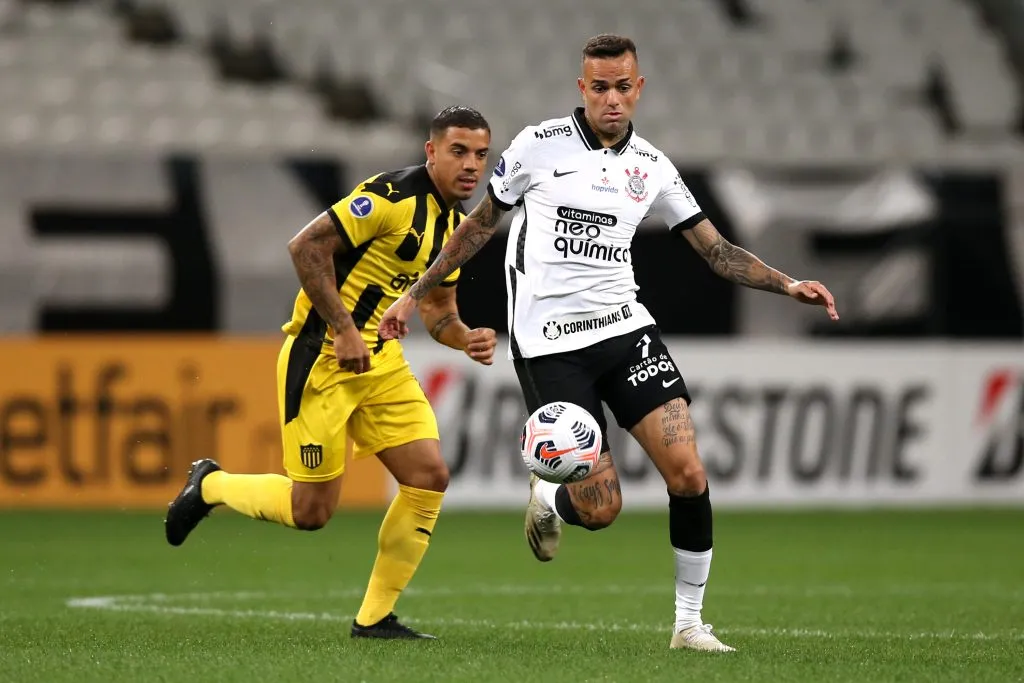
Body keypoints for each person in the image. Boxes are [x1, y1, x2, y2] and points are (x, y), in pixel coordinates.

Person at [379, 35, 839, 652]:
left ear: (639, 88)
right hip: (549, 345)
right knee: (600, 511)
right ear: (582, 89)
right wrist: (416, 292)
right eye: (600, 87)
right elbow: (478, 226)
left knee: (689, 473)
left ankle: (688, 625)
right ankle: (551, 489)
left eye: (623, 87)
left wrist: (788, 284)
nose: (612, 99)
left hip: (625, 330)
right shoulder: (537, 148)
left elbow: (717, 251)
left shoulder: (652, 165)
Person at [163, 106, 498, 640]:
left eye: (481, 154)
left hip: (381, 363)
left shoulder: (455, 230)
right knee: (311, 510)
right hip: (322, 356)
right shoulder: (391, 198)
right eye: (458, 151)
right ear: (430, 151)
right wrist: (342, 328)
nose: (471, 165)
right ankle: (212, 486)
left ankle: (375, 618)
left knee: (429, 475)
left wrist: (465, 338)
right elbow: (306, 246)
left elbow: (439, 311)